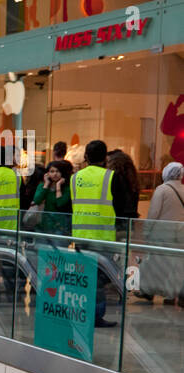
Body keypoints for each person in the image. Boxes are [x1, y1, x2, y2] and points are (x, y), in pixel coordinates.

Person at [70, 139, 118, 327]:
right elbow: (121, 206)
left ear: (86, 157)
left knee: (84, 277)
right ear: (105, 157)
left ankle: (81, 311)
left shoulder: (76, 178)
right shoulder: (111, 177)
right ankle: (96, 316)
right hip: (103, 237)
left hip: (81, 235)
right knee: (99, 279)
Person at [137, 162, 184, 303]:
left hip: (161, 233)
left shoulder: (162, 190)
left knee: (153, 263)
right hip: (180, 234)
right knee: (175, 265)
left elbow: (153, 213)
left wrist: (146, 231)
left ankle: (148, 291)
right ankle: (171, 295)